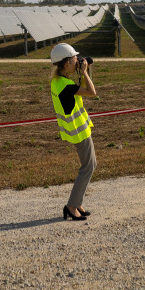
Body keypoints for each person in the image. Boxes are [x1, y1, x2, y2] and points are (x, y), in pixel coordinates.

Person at [49, 42, 97, 221]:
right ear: (66, 63)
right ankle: (71, 205)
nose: (78, 60)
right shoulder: (67, 86)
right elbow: (92, 92)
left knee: (88, 166)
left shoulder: (58, 82)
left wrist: (83, 71)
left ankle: (77, 203)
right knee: (88, 167)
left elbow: (80, 92)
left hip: (74, 130)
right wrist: (84, 71)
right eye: (75, 58)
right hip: (79, 131)